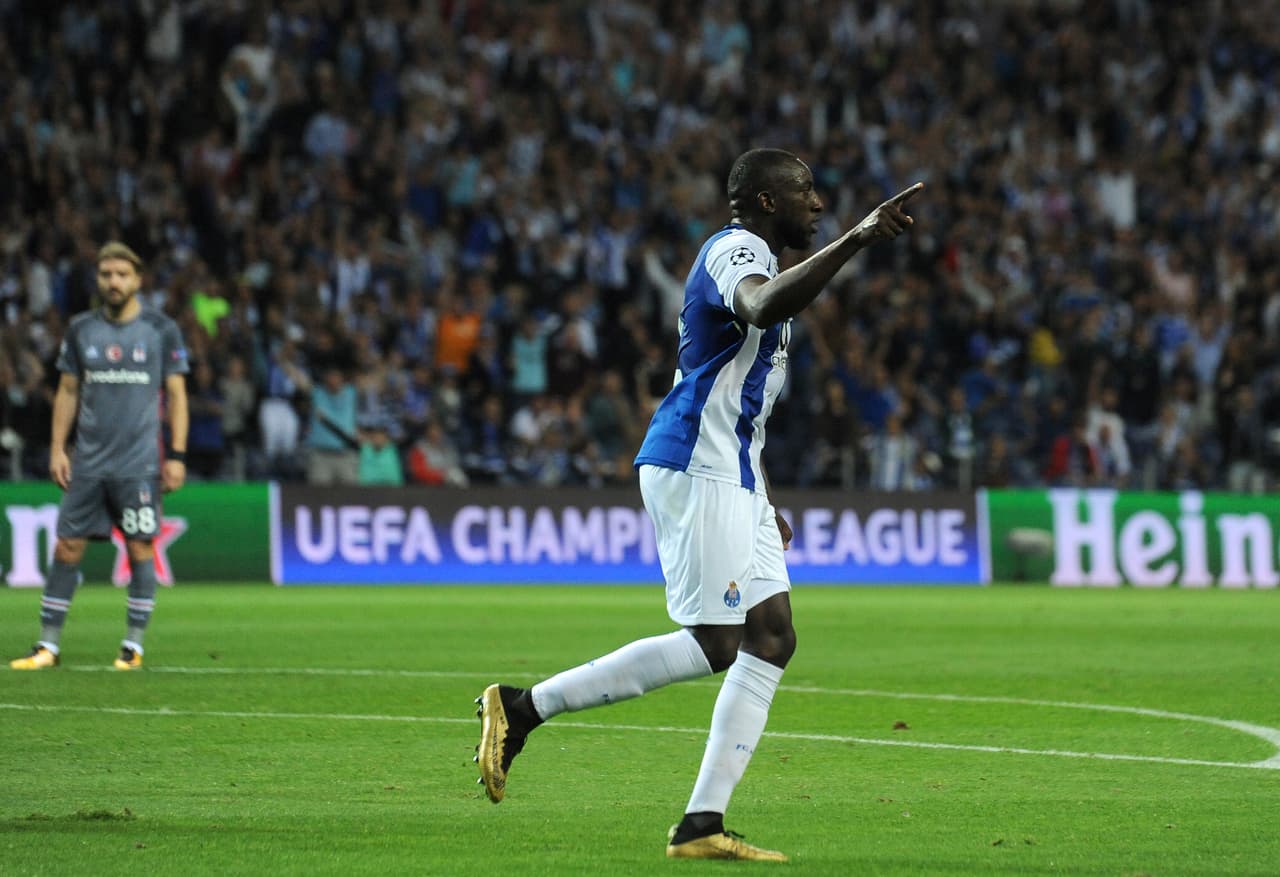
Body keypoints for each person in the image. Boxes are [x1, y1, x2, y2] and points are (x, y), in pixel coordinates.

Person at [475, 148, 922, 861]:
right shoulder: (735, 247)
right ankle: (524, 707)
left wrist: (760, 495)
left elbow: (741, 403)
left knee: (771, 635)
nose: (817, 201)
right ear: (765, 200)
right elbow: (759, 305)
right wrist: (859, 239)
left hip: (735, 474)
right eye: (803, 189)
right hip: (695, 464)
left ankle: (701, 822)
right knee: (716, 641)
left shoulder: (767, 259)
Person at [10, 242, 190, 672]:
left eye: (122, 274)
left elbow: (178, 395)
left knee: (141, 548)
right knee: (67, 546)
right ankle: (47, 647)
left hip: (140, 464)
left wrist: (178, 454)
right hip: (88, 462)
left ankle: (132, 647)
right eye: (107, 274)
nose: (114, 281)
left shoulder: (161, 329)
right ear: (98, 279)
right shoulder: (81, 329)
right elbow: (68, 390)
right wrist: (58, 448)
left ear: (138, 280)